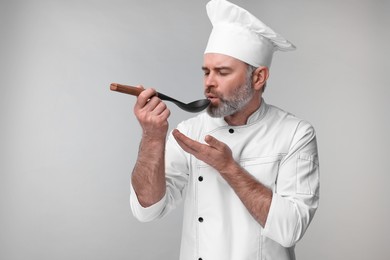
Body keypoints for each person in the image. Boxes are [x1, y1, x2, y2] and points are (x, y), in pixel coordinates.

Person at [130, 0, 320, 259]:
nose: (209, 83)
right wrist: (152, 138)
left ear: (258, 77)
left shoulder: (295, 133)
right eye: (206, 71)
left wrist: (228, 167)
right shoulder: (190, 130)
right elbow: (147, 209)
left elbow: (290, 229)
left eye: (222, 72)